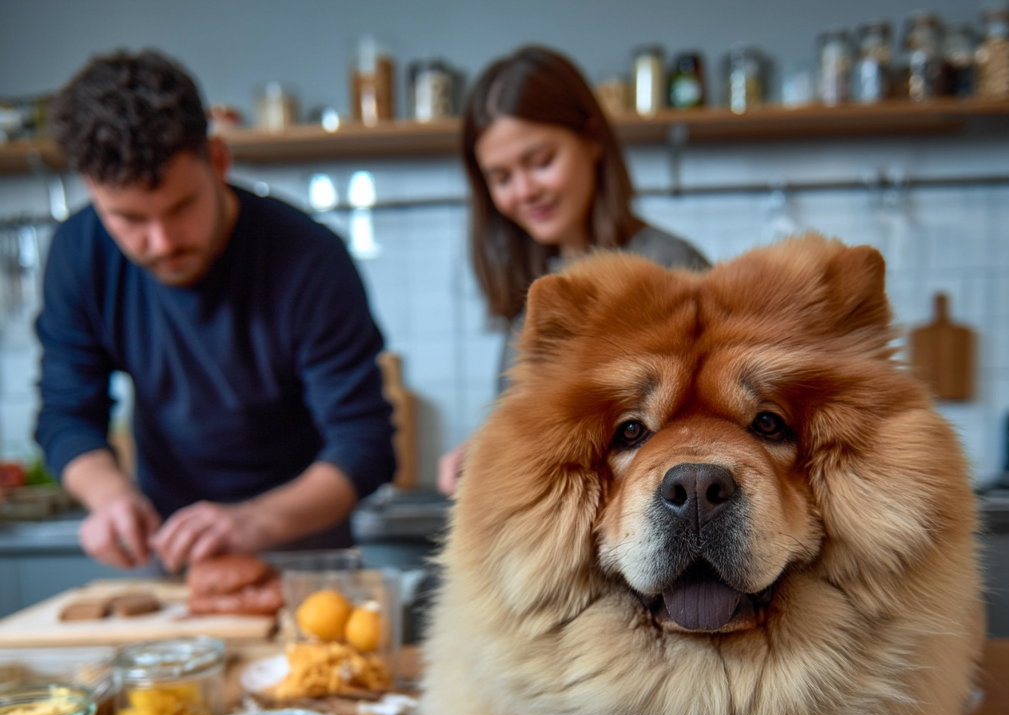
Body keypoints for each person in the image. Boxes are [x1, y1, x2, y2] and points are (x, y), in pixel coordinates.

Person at [36, 50, 396, 571]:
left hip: (306, 555)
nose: (160, 242)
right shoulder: (79, 252)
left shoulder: (311, 259)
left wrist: (251, 521)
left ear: (219, 162)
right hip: (176, 549)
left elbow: (364, 446)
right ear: (92, 193)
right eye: (128, 218)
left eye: (182, 207)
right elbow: (67, 413)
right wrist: (111, 497)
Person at [437, 45, 710, 495]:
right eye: (501, 178)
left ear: (592, 139)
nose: (524, 191)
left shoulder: (669, 266)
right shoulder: (537, 284)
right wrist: (485, 447)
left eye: (541, 161)